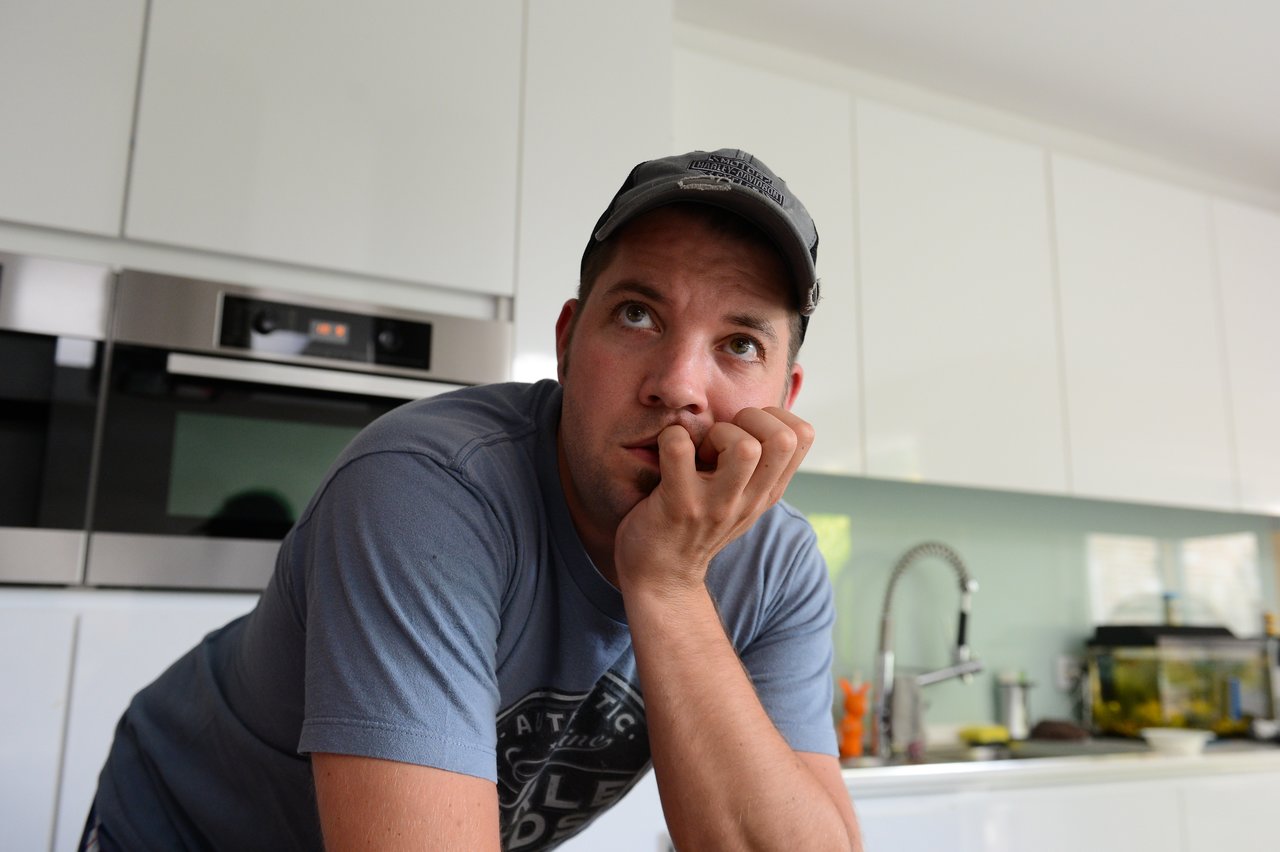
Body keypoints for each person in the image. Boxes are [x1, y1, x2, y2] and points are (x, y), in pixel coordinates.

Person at [80, 148, 863, 851]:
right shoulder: (423, 489)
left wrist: (668, 581)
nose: (678, 386)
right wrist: (668, 578)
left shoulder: (778, 564)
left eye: (739, 344)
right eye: (637, 315)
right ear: (566, 342)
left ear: (785, 397)